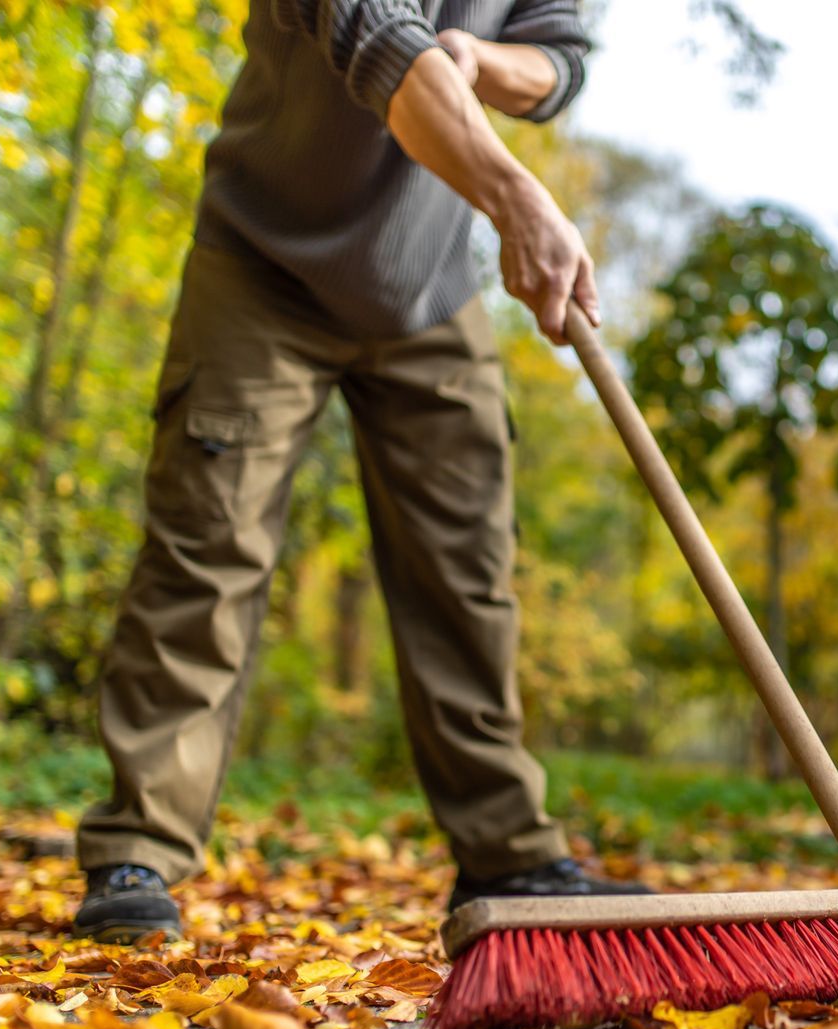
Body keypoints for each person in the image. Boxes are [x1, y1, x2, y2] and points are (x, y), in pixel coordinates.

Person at [72, 0, 647, 942]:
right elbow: (382, 48)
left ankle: (509, 856)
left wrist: (483, 60)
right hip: (262, 266)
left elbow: (562, 61)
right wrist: (517, 198)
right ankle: (139, 846)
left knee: (469, 574)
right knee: (206, 551)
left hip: (428, 288)